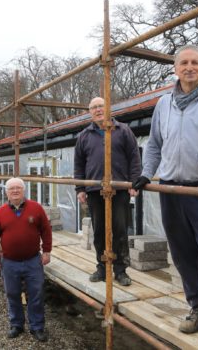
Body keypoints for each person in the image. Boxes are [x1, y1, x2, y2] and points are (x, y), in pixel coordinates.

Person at [132, 45, 198, 347]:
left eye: (196, 63)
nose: (190, 67)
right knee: (182, 254)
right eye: (184, 63)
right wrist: (147, 173)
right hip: (171, 189)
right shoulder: (164, 103)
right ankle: (196, 309)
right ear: (175, 69)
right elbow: (154, 144)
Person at [74, 96, 142, 286]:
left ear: (108, 109)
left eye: (101, 106)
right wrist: (80, 187)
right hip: (95, 190)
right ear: (90, 112)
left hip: (119, 188)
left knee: (120, 230)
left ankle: (120, 270)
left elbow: (134, 158)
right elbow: (79, 164)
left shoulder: (123, 130)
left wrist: (134, 183)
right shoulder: (84, 136)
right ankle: (102, 268)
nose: (98, 110)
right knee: (99, 232)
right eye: (94, 107)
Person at [0, 177, 52, 343]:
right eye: (11, 189)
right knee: (12, 293)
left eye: (18, 188)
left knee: (36, 293)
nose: (15, 191)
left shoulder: (36, 209)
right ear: (6, 192)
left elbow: (46, 230)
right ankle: (16, 324)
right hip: (9, 262)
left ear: (24, 190)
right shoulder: (0, 213)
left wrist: (46, 251)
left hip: (33, 261)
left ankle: (37, 327)